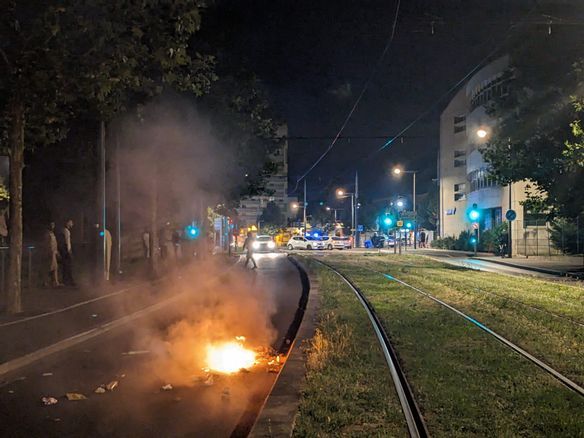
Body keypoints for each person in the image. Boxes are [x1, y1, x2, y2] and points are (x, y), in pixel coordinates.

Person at [59, 218, 76, 286]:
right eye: (71, 222)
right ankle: (68, 280)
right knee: (68, 266)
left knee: (66, 266)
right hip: (66, 250)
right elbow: (67, 242)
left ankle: (67, 280)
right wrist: (69, 251)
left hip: (65, 250)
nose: (72, 224)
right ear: (68, 223)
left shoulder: (64, 230)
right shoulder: (66, 231)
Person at [45, 221, 63, 287]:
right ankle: (47, 282)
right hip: (50, 253)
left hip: (53, 252)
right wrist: (50, 252)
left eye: (53, 225)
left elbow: (54, 243)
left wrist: (56, 252)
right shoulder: (47, 234)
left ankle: (55, 282)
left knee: (55, 267)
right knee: (50, 267)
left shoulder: (52, 233)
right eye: (51, 225)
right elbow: (48, 244)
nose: (53, 226)